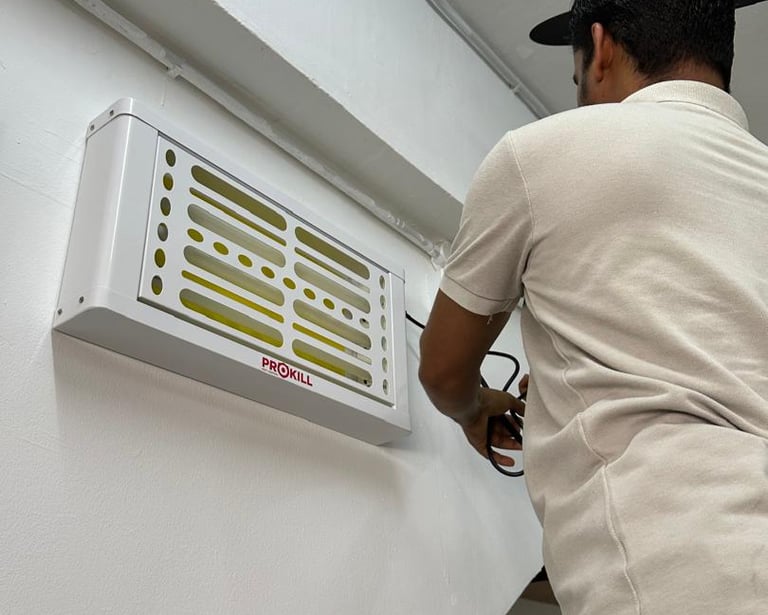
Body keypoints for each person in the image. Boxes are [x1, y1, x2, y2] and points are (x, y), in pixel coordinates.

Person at [418, 1, 768, 613]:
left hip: (687, 569)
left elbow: (444, 372)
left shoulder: (538, 155)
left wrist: (475, 410)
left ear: (600, 48)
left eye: (576, 77)